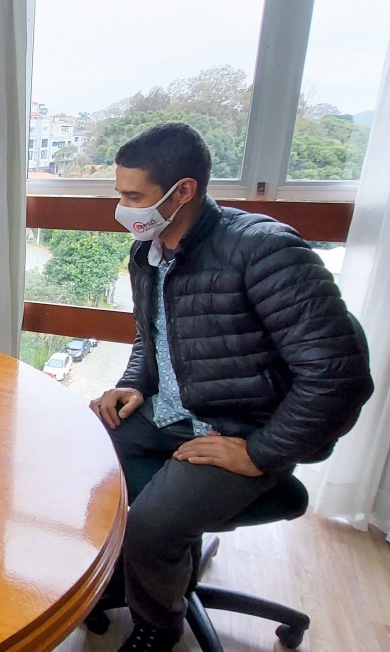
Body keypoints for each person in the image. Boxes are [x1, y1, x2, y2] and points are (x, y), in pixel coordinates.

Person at [88, 123, 373, 651]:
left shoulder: (265, 251)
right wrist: (133, 384)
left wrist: (260, 453)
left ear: (183, 190)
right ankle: (132, 575)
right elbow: (152, 336)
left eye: (134, 197)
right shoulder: (148, 250)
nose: (123, 209)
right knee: (80, 456)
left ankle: (158, 625)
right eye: (119, 195)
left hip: (244, 429)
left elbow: (339, 377)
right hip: (173, 411)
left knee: (152, 526)